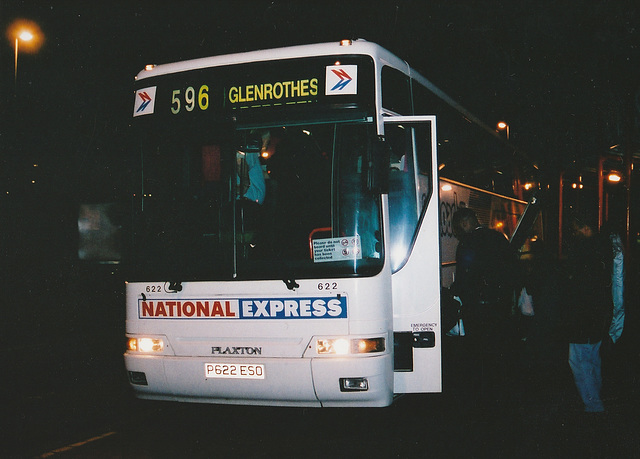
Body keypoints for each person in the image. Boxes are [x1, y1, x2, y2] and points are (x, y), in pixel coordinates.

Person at [450, 207, 516, 407]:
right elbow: (513, 269)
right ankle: (501, 394)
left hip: (478, 311)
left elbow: (464, 278)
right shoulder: (499, 238)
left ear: (464, 223)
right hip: (500, 307)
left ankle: (483, 397)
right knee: (499, 351)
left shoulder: (467, 243)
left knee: (479, 354)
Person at [562, 212, 613, 413]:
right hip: (598, 316)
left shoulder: (582, 252)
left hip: (581, 317)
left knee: (579, 361)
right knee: (592, 358)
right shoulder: (603, 250)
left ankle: (593, 404)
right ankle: (595, 397)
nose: (574, 233)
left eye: (576, 229)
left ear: (586, 228)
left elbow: (575, 289)